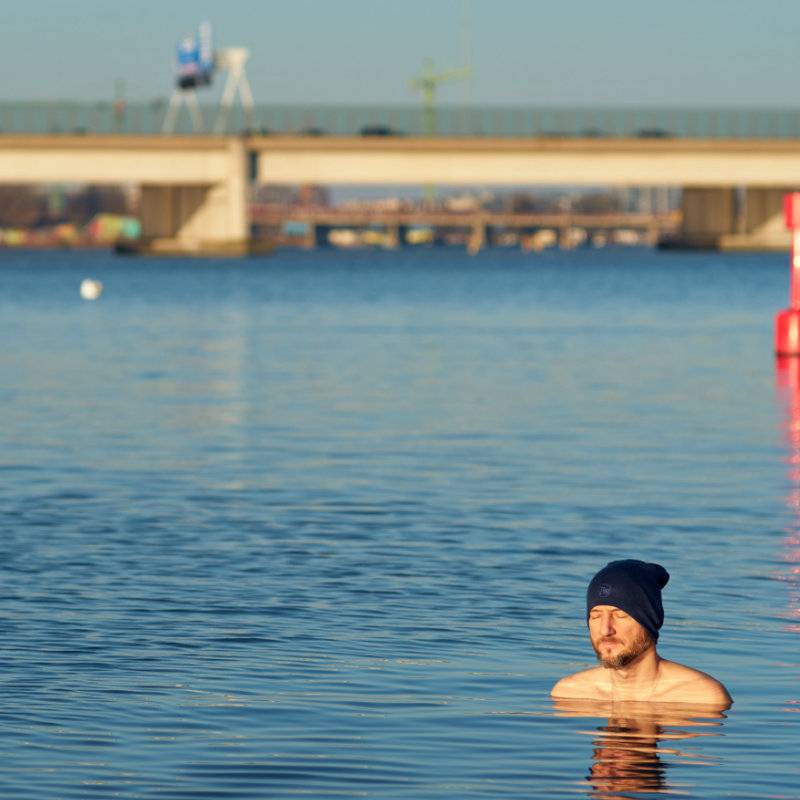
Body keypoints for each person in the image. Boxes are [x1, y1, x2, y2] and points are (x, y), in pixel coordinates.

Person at [551, 559, 732, 706]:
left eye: (620, 615)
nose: (606, 629)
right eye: (596, 616)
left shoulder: (702, 699)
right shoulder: (569, 694)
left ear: (650, 620)